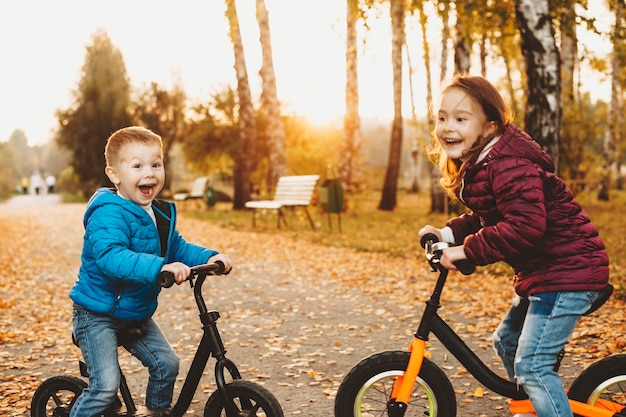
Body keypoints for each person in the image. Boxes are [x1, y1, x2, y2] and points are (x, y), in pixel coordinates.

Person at [418, 74, 609, 417]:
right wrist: (447, 235)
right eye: (442, 117)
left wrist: (468, 251)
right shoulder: (483, 164)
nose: (448, 126)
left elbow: (525, 225)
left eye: (461, 119)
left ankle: (540, 396)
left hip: (569, 273)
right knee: (506, 342)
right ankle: (532, 407)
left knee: (533, 365)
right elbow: (486, 216)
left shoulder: (508, 163)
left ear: (489, 127)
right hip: (547, 273)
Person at [69, 126, 232, 416]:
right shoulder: (107, 213)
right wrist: (160, 266)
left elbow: (177, 247)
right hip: (96, 315)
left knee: (166, 364)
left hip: (134, 311)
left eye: (156, 164)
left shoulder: (159, 213)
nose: (150, 172)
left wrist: (211, 256)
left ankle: (157, 412)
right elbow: (111, 256)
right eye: (138, 166)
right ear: (115, 175)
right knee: (105, 386)